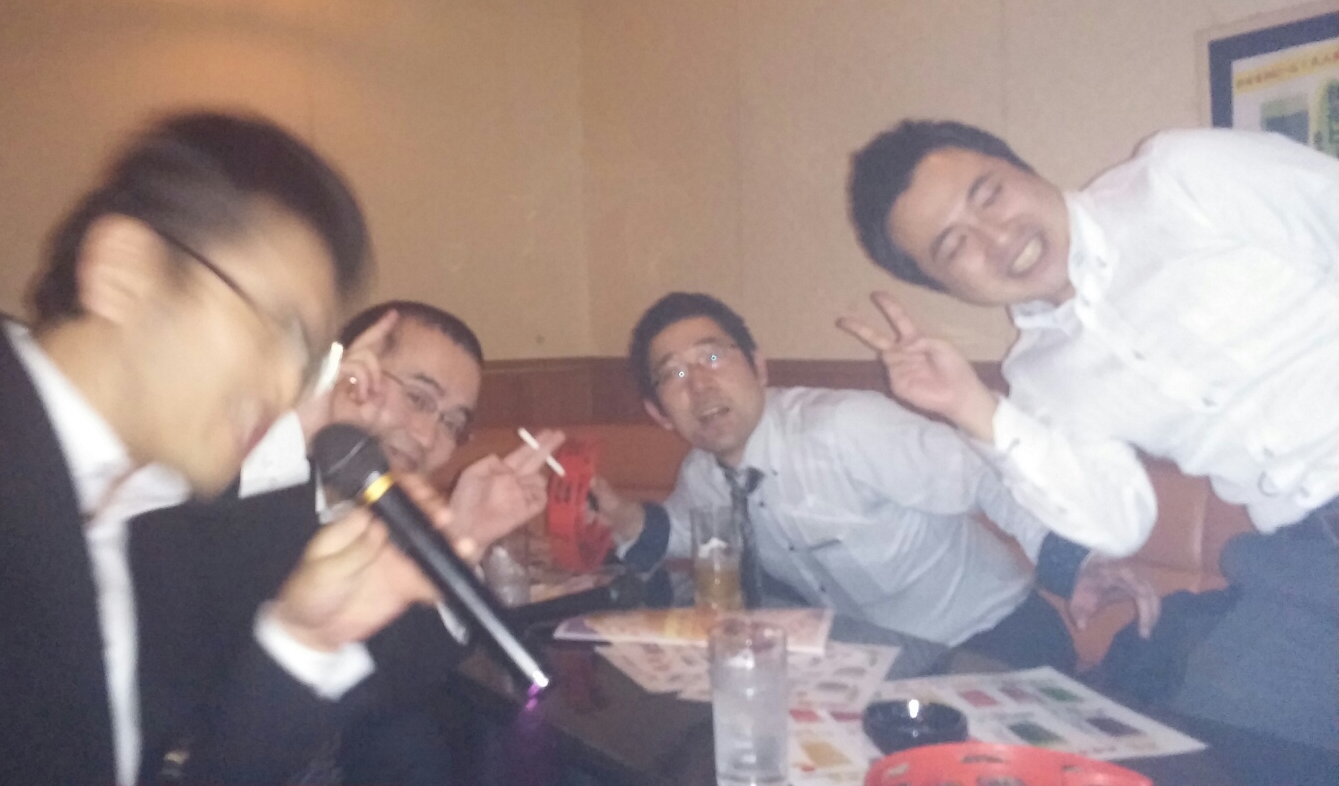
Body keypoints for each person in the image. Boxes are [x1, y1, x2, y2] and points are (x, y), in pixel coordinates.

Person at [0, 111, 513, 785]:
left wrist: (303, 640)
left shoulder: (145, 509)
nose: (287, 383)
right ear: (126, 271)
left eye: (303, 353)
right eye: (276, 328)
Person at [840, 119, 1338, 750]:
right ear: (947, 287)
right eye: (954, 245)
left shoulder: (1183, 177)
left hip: (1301, 563)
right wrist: (974, 408)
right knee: (1203, 750)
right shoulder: (1040, 379)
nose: (998, 237)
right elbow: (1118, 524)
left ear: (1022, 166)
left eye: (989, 194)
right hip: (1304, 559)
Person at [133, 300, 564, 786]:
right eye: (418, 398)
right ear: (351, 373)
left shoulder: (377, 517)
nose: (427, 436)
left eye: (451, 422)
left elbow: (383, 686)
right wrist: (307, 423)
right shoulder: (211, 473)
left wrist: (465, 538)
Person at [592, 292, 1117, 672]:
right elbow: (686, 531)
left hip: (994, 641)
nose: (700, 384)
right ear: (659, 412)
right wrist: (624, 517)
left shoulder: (842, 427)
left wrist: (1075, 562)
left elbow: (987, 476)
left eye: (712, 357)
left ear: (758, 367)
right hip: (874, 662)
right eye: (674, 374)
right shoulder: (704, 474)